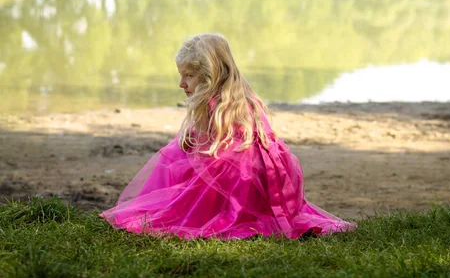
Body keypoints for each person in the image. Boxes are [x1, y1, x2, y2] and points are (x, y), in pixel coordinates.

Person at [99, 33, 356, 239]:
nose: (181, 84)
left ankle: (212, 212)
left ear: (210, 75)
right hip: (261, 172)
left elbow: (221, 152)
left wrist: (191, 141)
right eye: (181, 76)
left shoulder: (217, 104)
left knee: (178, 162)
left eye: (188, 76)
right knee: (181, 153)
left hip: (242, 177)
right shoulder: (239, 96)